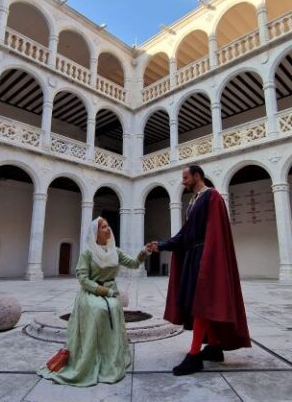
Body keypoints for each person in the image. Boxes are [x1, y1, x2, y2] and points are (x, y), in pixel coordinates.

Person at [149, 165, 250, 376]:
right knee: (199, 304)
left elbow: (215, 233)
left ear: (197, 176)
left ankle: (194, 356)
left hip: (206, 258)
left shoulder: (212, 196)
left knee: (201, 305)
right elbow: (185, 234)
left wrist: (208, 261)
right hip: (194, 257)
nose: (183, 181)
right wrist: (162, 245)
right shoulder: (193, 202)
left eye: (186, 177)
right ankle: (213, 347)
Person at [38, 217, 150, 387]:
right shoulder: (88, 252)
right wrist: (104, 291)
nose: (108, 229)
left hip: (111, 293)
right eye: (103, 227)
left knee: (112, 306)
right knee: (98, 310)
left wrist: (144, 251)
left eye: (108, 226)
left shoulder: (115, 251)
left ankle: (110, 358)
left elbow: (134, 264)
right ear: (95, 233)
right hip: (91, 293)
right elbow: (82, 278)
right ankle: (90, 357)